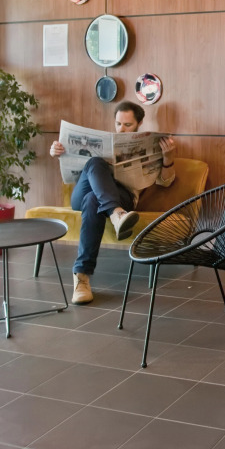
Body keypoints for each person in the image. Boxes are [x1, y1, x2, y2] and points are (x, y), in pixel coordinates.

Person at [50, 101, 175, 305]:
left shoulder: (153, 145)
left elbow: (165, 182)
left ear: (139, 124)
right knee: (94, 162)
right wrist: (58, 153)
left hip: (123, 196)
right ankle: (116, 214)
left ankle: (81, 277)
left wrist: (168, 158)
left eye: (128, 125)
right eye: (118, 124)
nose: (121, 129)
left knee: (93, 200)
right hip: (83, 193)